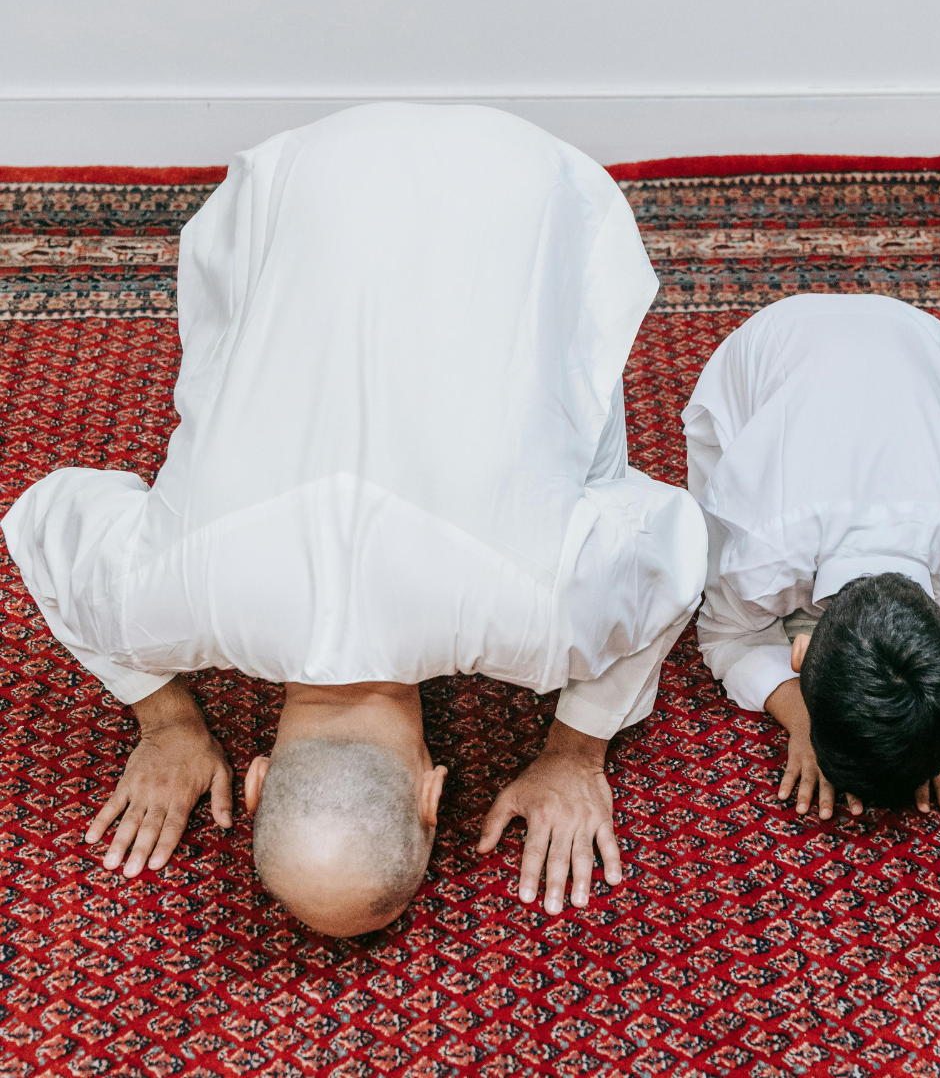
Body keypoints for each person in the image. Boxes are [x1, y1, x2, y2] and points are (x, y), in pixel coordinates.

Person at [2, 104, 707, 937]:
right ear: (259, 777)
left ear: (432, 794)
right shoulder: (160, 602)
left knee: (580, 471)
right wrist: (162, 718)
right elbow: (42, 518)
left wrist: (576, 752)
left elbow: (677, 544)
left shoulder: (549, 622)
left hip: (528, 181)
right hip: (305, 175)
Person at [683, 293, 940, 819]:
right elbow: (723, 633)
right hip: (770, 341)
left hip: (927, 338)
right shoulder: (764, 555)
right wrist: (802, 719)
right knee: (700, 541)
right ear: (799, 653)